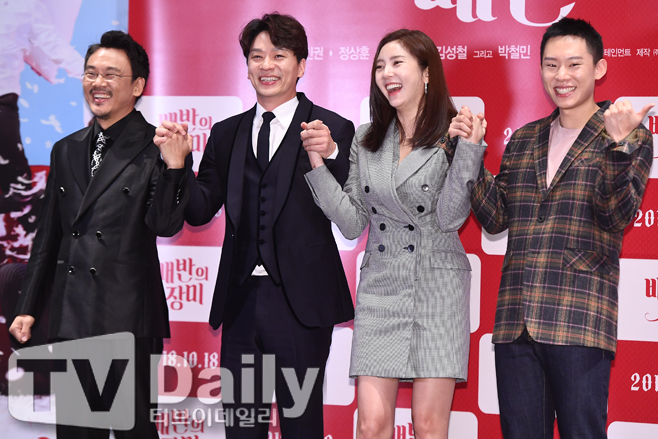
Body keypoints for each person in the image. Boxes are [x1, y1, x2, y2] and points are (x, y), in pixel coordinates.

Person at [152, 13, 355, 438]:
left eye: (279, 55)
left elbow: (350, 210)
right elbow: (199, 210)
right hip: (241, 302)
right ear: (246, 66)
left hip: (302, 305)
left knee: (302, 425)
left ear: (301, 65)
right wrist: (178, 166)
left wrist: (334, 153)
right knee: (243, 424)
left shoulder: (332, 128)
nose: (267, 65)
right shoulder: (226, 134)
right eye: (257, 56)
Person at [451, 17, 654, 439]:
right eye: (551, 65)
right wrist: (469, 152)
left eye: (574, 64)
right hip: (516, 320)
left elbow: (615, 215)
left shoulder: (629, 135)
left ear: (599, 68)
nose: (562, 76)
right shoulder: (525, 139)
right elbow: (496, 217)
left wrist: (617, 146)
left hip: (579, 317)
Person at [304, 29, 486, 439]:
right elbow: (352, 223)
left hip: (436, 288)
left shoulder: (453, 133)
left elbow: (451, 218)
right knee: (370, 425)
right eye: (380, 66)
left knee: (429, 425)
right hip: (381, 288)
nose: (387, 73)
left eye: (398, 63)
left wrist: (468, 151)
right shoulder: (367, 139)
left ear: (426, 73)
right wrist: (318, 165)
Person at [9, 30, 183, 438]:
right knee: (76, 431)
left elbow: (166, 225)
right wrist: (28, 306)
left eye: (110, 74)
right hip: (73, 315)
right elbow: (48, 238)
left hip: (128, 319)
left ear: (137, 86)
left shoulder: (158, 146)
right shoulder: (66, 149)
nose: (97, 83)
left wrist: (175, 169)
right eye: (91, 73)